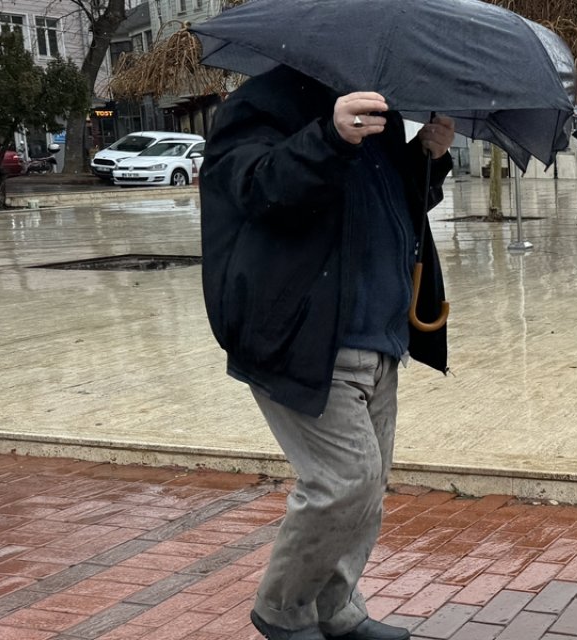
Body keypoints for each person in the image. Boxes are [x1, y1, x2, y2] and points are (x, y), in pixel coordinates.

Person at [199, 66, 456, 640]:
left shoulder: (376, 113)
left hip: (381, 335)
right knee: (346, 480)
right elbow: (257, 190)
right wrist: (329, 136)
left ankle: (335, 611)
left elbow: (390, 205)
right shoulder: (261, 103)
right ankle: (282, 610)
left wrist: (426, 158)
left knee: (368, 486)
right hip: (303, 335)